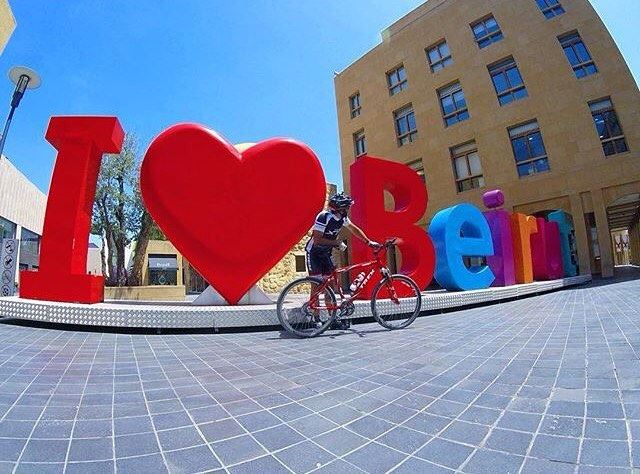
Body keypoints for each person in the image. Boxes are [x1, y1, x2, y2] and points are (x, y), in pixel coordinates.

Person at [305, 192, 380, 329]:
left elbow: (354, 229)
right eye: (346, 207)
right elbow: (317, 240)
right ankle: (314, 317)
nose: (348, 210)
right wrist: (337, 243)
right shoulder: (324, 217)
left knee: (330, 285)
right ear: (340, 208)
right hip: (314, 253)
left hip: (326, 253)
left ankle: (331, 319)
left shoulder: (342, 218)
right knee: (316, 286)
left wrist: (368, 242)